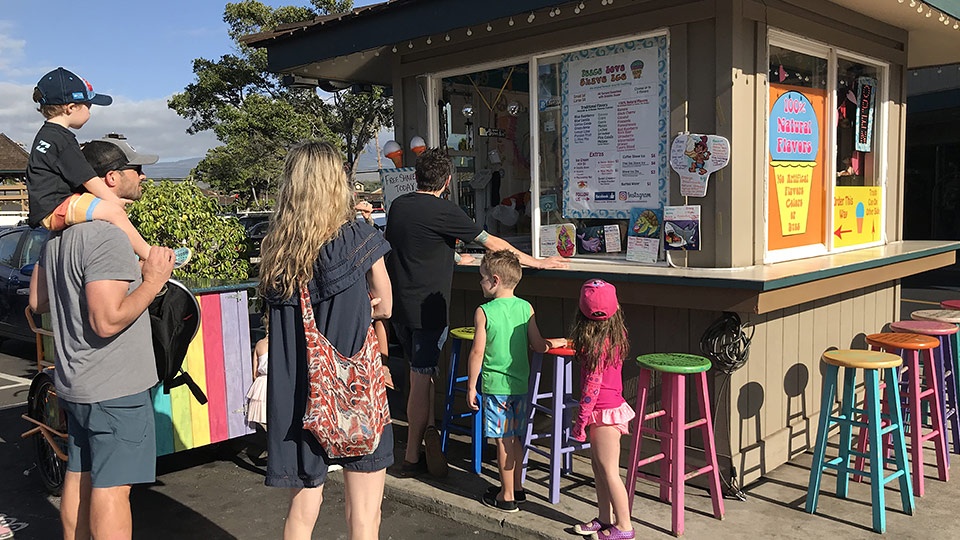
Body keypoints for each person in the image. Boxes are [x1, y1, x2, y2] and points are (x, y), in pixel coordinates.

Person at [385, 147, 567, 478]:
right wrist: (537, 262)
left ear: (416, 177)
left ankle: (428, 436)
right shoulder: (445, 211)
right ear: (447, 181)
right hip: (429, 311)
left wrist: (455, 258)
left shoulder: (399, 206)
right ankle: (411, 458)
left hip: (400, 307)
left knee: (419, 373)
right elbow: (493, 243)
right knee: (421, 378)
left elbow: (413, 245)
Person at [28, 137, 175, 540]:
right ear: (111, 178)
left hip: (76, 384)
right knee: (114, 489)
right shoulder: (108, 236)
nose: (142, 177)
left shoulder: (57, 238)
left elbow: (38, 301)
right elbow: (107, 321)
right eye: (136, 170)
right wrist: (153, 281)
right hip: (115, 388)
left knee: (80, 474)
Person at [258, 141, 393, 540]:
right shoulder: (359, 238)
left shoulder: (278, 249)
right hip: (353, 389)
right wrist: (363, 306)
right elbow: (385, 305)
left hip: (299, 389)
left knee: (302, 512)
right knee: (365, 516)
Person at [27, 68, 189, 267]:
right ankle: (151, 256)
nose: (90, 111)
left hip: (49, 208)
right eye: (88, 106)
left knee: (104, 212)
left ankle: (131, 254)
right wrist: (114, 201)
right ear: (71, 107)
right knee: (114, 213)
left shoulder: (46, 135)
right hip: (57, 207)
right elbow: (88, 178)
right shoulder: (63, 139)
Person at [465, 250, 566, 512]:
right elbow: (538, 344)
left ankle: (506, 495)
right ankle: (518, 488)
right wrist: (558, 342)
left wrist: (471, 386)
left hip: (495, 387)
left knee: (502, 440)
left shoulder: (484, 311)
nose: (480, 282)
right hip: (520, 385)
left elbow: (477, 352)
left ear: (495, 280)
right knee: (515, 439)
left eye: (483, 277)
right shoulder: (526, 308)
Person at [569, 280, 636, 540]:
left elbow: (591, 388)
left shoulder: (596, 346)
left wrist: (580, 422)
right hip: (605, 411)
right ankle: (605, 518)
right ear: (616, 307)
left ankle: (625, 526)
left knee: (609, 471)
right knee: (599, 468)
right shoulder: (614, 336)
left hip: (604, 413)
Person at [246, 313, 269, 430]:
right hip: (275, 382)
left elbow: (255, 373)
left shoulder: (259, 344)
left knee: (263, 421)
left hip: (261, 384)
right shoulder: (279, 343)